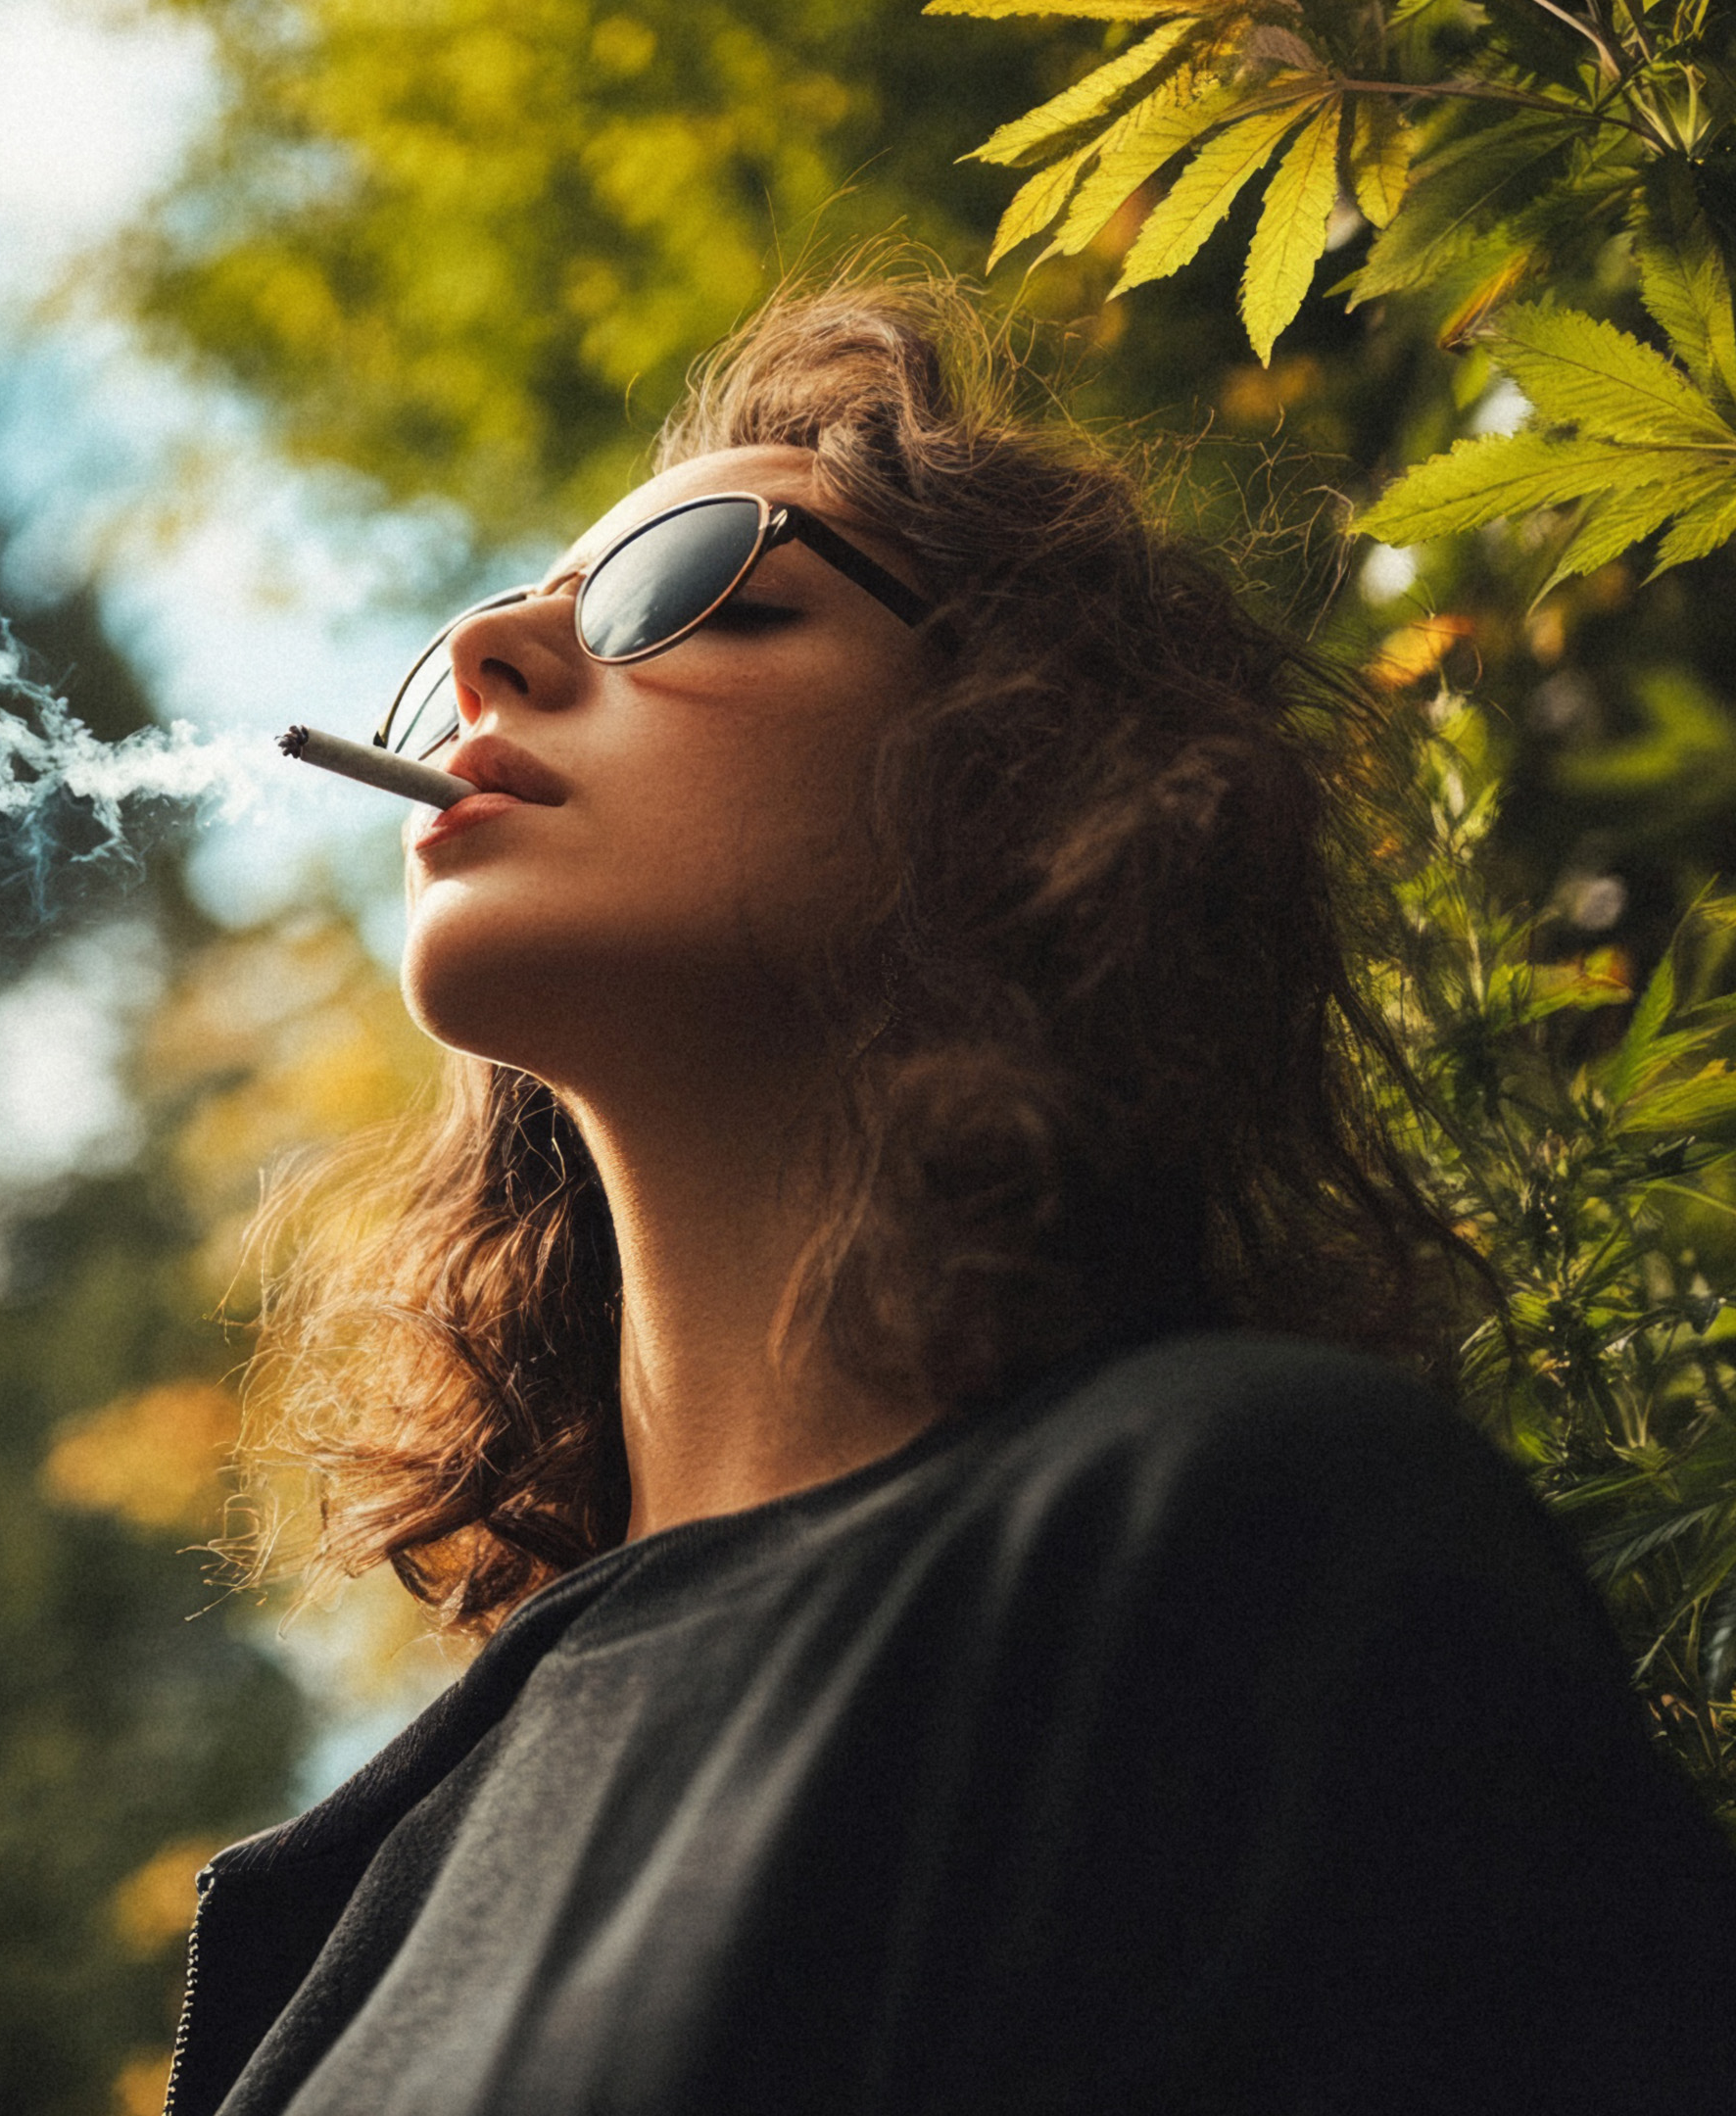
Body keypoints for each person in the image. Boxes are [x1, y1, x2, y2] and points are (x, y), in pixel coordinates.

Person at [169, 280, 1736, 2116]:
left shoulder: (1241, 1541)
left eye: (694, 588)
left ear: (1017, 781)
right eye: (510, 613)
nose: (488, 652)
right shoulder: (368, 1884)